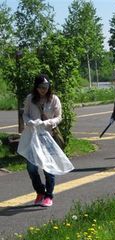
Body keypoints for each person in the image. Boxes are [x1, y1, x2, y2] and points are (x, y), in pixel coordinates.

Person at [22, 74, 62, 206]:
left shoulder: (54, 99)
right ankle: (40, 191)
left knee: (48, 167)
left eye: (46, 86)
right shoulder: (30, 98)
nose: (43, 89)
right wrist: (29, 122)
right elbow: (25, 114)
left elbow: (59, 117)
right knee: (31, 167)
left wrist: (49, 122)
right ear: (36, 87)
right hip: (33, 137)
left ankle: (49, 195)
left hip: (48, 137)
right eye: (40, 87)